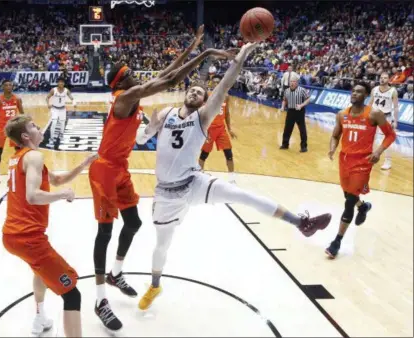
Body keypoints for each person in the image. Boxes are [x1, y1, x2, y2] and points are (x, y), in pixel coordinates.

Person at [135, 42, 332, 310]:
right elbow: (142, 136)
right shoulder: (166, 113)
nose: (195, 92)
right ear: (184, 93)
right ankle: (155, 285)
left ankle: (300, 222)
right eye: (191, 89)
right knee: (162, 244)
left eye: (200, 92)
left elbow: (225, 85)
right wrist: (143, 132)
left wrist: (241, 56)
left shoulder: (203, 118)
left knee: (243, 195)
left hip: (193, 183)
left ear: (205, 102)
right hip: (166, 193)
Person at [88, 25, 236, 331]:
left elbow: (166, 73)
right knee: (105, 231)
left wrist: (191, 46)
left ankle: (116, 273)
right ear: (121, 80)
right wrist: (206, 53)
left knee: (133, 223)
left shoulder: (128, 93)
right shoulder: (124, 98)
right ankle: (100, 299)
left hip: (120, 167)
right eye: (129, 73)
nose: (135, 76)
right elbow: (169, 80)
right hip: (104, 169)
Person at [2, 115, 97, 337]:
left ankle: (39, 316)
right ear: (26, 136)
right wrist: (63, 195)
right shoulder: (34, 155)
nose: (39, 126)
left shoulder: (19, 157)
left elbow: (57, 180)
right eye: (34, 125)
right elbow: (33, 196)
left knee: (40, 272)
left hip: (12, 235)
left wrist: (83, 164)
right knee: (72, 293)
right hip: (28, 237)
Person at [326, 83, 396, 259]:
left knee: (348, 202)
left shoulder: (374, 114)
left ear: (365, 95)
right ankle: (363, 206)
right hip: (345, 160)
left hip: (363, 162)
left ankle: (337, 241)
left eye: (359, 92)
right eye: (353, 91)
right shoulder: (342, 115)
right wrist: (332, 148)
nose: (355, 93)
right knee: (347, 195)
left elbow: (391, 135)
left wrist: (378, 152)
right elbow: (335, 135)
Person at [199, 76, 237, 183]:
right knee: (204, 154)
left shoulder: (226, 96)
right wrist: (203, 129)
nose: (216, 84)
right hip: (209, 130)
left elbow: (227, 114)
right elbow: (202, 113)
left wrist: (230, 129)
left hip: (221, 130)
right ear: (211, 83)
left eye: (218, 82)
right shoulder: (207, 96)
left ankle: (232, 179)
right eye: (214, 82)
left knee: (229, 154)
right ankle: (199, 176)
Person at [0, 80, 24, 183]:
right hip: (1, 128)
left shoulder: (17, 99)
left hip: (13, 127)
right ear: (2, 87)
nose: (9, 87)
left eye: (10, 85)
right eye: (6, 85)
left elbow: (22, 114)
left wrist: (23, 126)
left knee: (18, 150)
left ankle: (17, 171)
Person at [368, 72, 399, 170]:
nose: (382, 79)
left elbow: (396, 107)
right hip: (373, 116)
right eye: (381, 77)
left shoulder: (393, 91)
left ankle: (388, 161)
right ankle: (369, 158)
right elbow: (370, 103)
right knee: (370, 138)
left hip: (386, 117)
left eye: (385, 78)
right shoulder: (375, 89)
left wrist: (395, 120)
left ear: (389, 80)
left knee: (387, 139)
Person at [279, 78, 311, 152]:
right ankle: (285, 144)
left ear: (297, 83)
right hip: (290, 111)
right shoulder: (286, 91)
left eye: (294, 81)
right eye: (291, 81)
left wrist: (301, 105)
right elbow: (284, 100)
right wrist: (282, 107)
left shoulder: (302, 90)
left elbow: (308, 99)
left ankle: (304, 147)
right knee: (287, 128)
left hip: (299, 111)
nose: (292, 83)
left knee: (302, 129)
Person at [46, 78, 76, 144]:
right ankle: (51, 138)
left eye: (62, 82)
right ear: (57, 83)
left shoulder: (66, 90)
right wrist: (48, 104)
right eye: (59, 82)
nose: (61, 83)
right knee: (54, 123)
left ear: (64, 83)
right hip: (54, 109)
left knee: (62, 123)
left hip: (62, 109)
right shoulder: (53, 90)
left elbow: (71, 97)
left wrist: (74, 103)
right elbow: (47, 97)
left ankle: (61, 135)